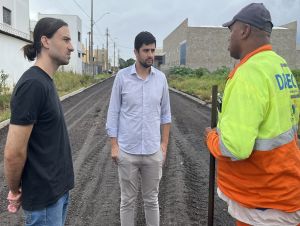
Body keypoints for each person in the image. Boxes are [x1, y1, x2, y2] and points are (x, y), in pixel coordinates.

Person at [204, 3, 300, 226]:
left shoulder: (249, 73)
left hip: (264, 203)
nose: (229, 37)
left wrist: (211, 137)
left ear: (245, 30)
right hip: (285, 192)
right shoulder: (280, 66)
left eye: (232, 30)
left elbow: (235, 147)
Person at [4, 17, 75, 226]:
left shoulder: (45, 81)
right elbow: (12, 153)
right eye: (66, 40)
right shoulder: (32, 85)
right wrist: (15, 190)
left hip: (57, 193)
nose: (71, 47)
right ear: (45, 41)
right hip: (44, 200)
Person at [106, 31, 171, 226]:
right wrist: (114, 145)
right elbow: (113, 112)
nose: (150, 54)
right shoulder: (122, 77)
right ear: (135, 52)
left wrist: (164, 146)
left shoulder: (161, 79)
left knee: (152, 200)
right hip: (127, 152)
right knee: (127, 201)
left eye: (152, 50)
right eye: (146, 50)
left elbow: (166, 115)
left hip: (153, 152)